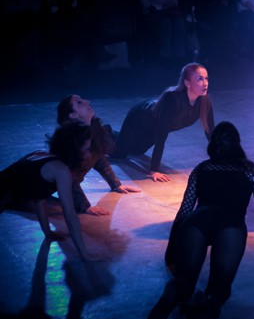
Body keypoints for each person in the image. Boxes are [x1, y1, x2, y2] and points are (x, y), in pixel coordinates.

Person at [147, 121, 254, 319]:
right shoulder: (253, 172)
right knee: (219, 288)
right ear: (238, 144)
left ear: (212, 145)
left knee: (183, 281)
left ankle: (168, 301)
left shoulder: (202, 169)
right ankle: (205, 311)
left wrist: (172, 250)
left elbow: (184, 211)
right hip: (230, 228)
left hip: (197, 222)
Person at [0, 122, 99, 261]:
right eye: (87, 149)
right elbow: (70, 214)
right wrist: (85, 255)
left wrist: (47, 232)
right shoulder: (61, 171)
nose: (89, 154)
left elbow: (39, 197)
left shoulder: (42, 156)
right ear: (75, 151)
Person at [110, 63, 214, 182]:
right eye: (200, 79)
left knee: (137, 150)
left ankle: (118, 136)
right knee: (118, 154)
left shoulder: (205, 102)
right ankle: (105, 131)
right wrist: (154, 170)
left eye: (206, 78)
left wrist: (218, 159)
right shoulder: (172, 100)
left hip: (153, 127)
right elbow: (161, 136)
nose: (205, 83)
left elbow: (210, 131)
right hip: (139, 117)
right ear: (187, 83)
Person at [57, 94, 141, 214]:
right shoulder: (70, 139)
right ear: (73, 115)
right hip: (41, 187)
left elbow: (99, 159)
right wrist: (85, 206)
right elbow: (68, 175)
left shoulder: (92, 130)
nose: (87, 101)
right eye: (79, 102)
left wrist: (116, 184)